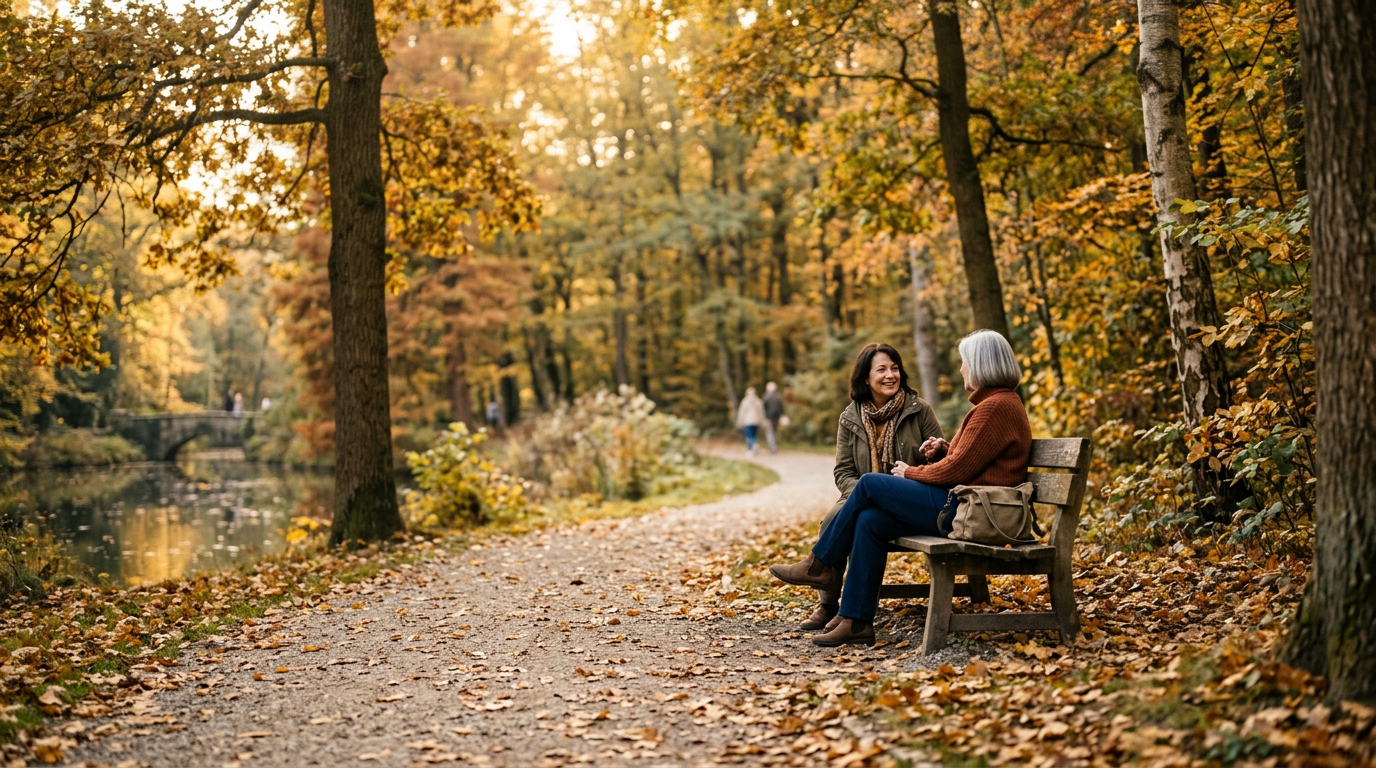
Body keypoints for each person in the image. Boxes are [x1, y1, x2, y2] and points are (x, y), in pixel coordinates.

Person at [770, 330, 1030, 647]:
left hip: (969, 513)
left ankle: (820, 564)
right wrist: (944, 451)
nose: (962, 368)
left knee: (869, 484)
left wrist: (910, 472)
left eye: (964, 362)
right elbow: (968, 462)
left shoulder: (995, 407)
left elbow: (958, 471)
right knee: (871, 521)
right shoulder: (994, 405)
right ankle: (856, 621)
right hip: (963, 506)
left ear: (980, 365)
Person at [785, 342, 944, 633]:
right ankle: (830, 605)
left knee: (857, 509)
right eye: (881, 369)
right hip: (862, 495)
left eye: (894, 368)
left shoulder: (919, 410)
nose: (890, 375)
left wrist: (935, 453)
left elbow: (942, 459)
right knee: (834, 518)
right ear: (865, 378)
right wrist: (859, 494)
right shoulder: (850, 417)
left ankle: (816, 566)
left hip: (909, 498)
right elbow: (843, 470)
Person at [735, 387, 766, 455]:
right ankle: (754, 445)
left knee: (748, 436)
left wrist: (739, 421)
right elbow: (761, 412)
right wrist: (762, 421)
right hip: (756, 421)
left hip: (747, 421)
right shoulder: (758, 401)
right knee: (754, 435)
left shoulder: (745, 401)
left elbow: (741, 412)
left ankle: (751, 449)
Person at [762, 382, 785, 454]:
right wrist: (782, 415)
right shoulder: (778, 396)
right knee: (775, 432)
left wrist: (763, 417)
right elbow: (781, 408)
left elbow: (763, 408)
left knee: (770, 433)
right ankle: (774, 447)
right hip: (776, 418)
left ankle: (772, 449)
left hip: (768, 417)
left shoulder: (766, 396)